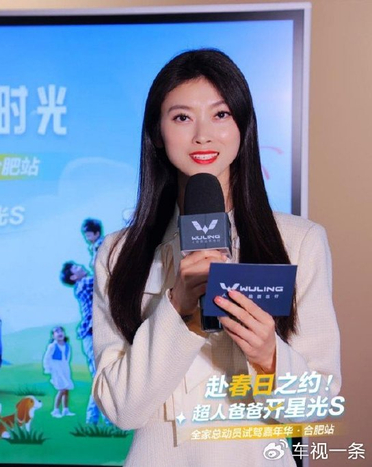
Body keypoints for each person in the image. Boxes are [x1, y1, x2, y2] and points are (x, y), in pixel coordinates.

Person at [91, 49, 341, 466]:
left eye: (221, 114)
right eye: (182, 117)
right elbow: (122, 410)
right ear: (157, 133)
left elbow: (318, 406)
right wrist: (177, 308)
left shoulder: (300, 242)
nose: (203, 135)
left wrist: (267, 355)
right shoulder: (119, 254)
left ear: (243, 125)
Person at [60, 261, 111, 426]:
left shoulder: (85, 284)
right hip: (91, 333)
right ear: (73, 277)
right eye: (75, 267)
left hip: (95, 333)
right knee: (100, 376)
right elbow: (103, 276)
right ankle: (96, 418)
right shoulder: (83, 285)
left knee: (102, 376)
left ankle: (99, 419)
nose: (80, 266)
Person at [42, 326, 76, 418]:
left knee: (66, 389)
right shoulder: (52, 346)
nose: (60, 333)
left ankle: (65, 410)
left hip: (64, 369)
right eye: (57, 332)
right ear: (53, 336)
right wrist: (48, 368)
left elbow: (67, 358)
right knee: (61, 389)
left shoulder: (67, 345)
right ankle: (56, 410)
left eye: (61, 331)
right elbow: (47, 358)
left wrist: (66, 367)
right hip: (56, 370)